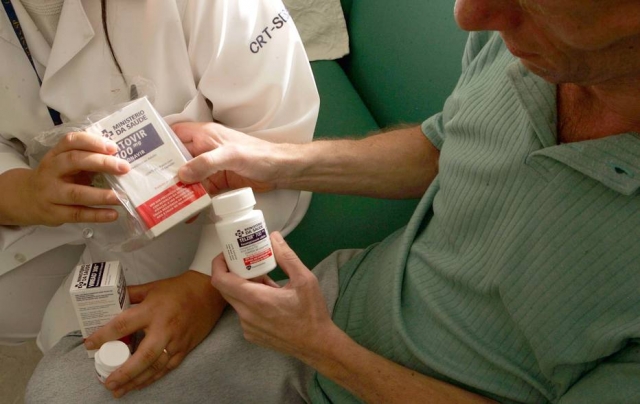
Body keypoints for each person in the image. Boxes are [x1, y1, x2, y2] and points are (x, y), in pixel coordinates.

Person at [27, 0, 640, 403]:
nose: (470, 16)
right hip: (343, 309)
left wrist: (321, 347)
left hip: (360, 363)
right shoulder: (519, 44)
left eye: (539, 2)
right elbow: (444, 144)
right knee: (63, 389)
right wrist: (273, 158)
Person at [1, 0, 318, 390]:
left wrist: (203, 286)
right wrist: (26, 194)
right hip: (55, 205)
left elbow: (275, 144)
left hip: (198, 214)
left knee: (81, 363)